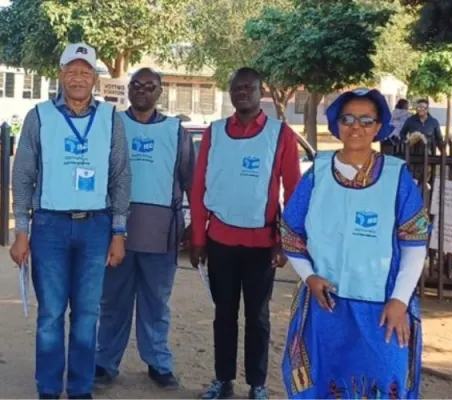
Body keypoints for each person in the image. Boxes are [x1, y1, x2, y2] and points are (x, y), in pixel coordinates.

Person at [280, 88, 430, 399]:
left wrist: (400, 301)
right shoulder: (317, 174)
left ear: (378, 128)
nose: (356, 126)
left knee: (384, 376)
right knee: (323, 381)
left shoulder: (396, 176)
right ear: (336, 125)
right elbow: (290, 233)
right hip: (325, 304)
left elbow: (414, 244)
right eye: (347, 119)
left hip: (383, 306)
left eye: (366, 120)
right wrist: (309, 276)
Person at [9, 43, 131, 399]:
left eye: (85, 71)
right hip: (49, 228)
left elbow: (121, 177)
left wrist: (119, 231)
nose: (78, 78)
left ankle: (79, 390)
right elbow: (23, 176)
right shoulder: (39, 116)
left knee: (87, 314)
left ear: (94, 77)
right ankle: (48, 389)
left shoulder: (111, 118)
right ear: (61, 75)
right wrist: (21, 231)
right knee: (50, 315)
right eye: (71, 71)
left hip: (96, 227)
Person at [189, 67, 301, 399]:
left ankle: (258, 384)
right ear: (230, 92)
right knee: (224, 314)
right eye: (236, 88)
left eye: (248, 87)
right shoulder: (215, 132)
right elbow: (199, 188)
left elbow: (292, 193)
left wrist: (285, 242)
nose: (242, 93)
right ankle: (223, 380)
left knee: (258, 317)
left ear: (260, 91)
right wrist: (198, 238)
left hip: (261, 245)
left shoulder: (281, 135)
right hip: (220, 241)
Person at [95, 68, 195, 389]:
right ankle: (105, 362)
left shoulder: (175, 130)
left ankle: (158, 363)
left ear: (160, 92)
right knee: (113, 301)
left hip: (160, 231)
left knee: (156, 302)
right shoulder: (113, 124)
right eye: (136, 85)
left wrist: (195, 230)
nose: (141, 90)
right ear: (129, 90)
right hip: (117, 232)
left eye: (149, 86)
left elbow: (189, 179)